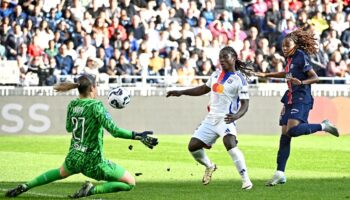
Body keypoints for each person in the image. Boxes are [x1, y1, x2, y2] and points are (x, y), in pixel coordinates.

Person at [5, 74, 158, 198]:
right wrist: (138, 136)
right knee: (130, 182)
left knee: (59, 172)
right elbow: (115, 131)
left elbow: (68, 128)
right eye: (96, 86)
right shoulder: (96, 106)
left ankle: (26, 185)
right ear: (92, 88)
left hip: (74, 156)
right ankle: (91, 191)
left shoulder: (73, 105)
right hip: (93, 162)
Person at [253, 27, 339, 186]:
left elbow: (315, 77)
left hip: (302, 96)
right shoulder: (290, 59)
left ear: (295, 45)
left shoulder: (301, 56)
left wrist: (302, 82)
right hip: (290, 97)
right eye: (283, 46)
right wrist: (266, 75)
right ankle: (280, 172)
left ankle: (323, 126)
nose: (284, 48)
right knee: (285, 133)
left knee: (292, 130)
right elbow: (286, 74)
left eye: (287, 45)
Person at [166, 46, 254, 190]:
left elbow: (245, 104)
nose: (222, 59)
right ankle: (210, 166)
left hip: (226, 119)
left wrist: (236, 116)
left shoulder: (240, 80)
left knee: (230, 144)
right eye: (220, 57)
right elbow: (202, 89)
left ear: (234, 58)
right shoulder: (215, 75)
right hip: (211, 118)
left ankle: (246, 180)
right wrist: (181, 92)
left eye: (225, 56)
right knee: (193, 146)